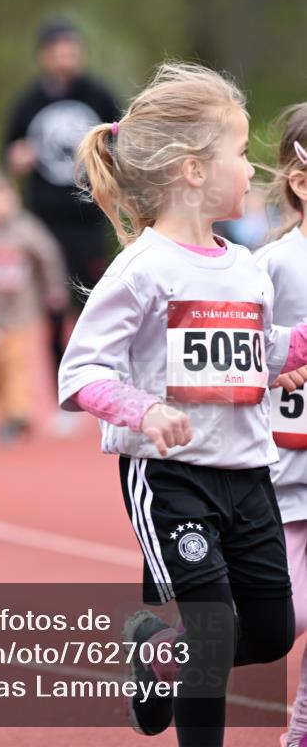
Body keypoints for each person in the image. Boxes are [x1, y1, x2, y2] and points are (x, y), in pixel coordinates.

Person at [57, 63, 307, 747]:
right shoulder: (143, 267)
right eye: (237, 152)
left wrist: (281, 359)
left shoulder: (244, 264)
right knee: (213, 627)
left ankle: (158, 652)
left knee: (270, 632)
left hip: (247, 471)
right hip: (172, 477)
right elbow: (79, 372)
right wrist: (142, 411)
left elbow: (259, 345)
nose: (251, 168)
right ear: (193, 170)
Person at [1, 17, 120, 418]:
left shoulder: (99, 95)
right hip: (45, 221)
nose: (66, 57)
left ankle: (102, 382)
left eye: (73, 49)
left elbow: (123, 142)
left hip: (90, 216)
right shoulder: (28, 102)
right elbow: (6, 153)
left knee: (96, 302)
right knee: (53, 306)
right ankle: (63, 392)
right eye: (59, 50)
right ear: (44, 56)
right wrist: (15, 158)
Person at [254, 104, 307, 747]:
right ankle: (172, 650)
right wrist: (272, 371)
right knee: (284, 617)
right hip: (288, 469)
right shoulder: (273, 265)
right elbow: (241, 352)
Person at [0, 168, 68, 442]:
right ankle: (3, 412)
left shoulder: (26, 227)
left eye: (4, 198)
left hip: (21, 308)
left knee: (17, 361)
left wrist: (54, 288)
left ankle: (19, 414)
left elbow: (48, 256)